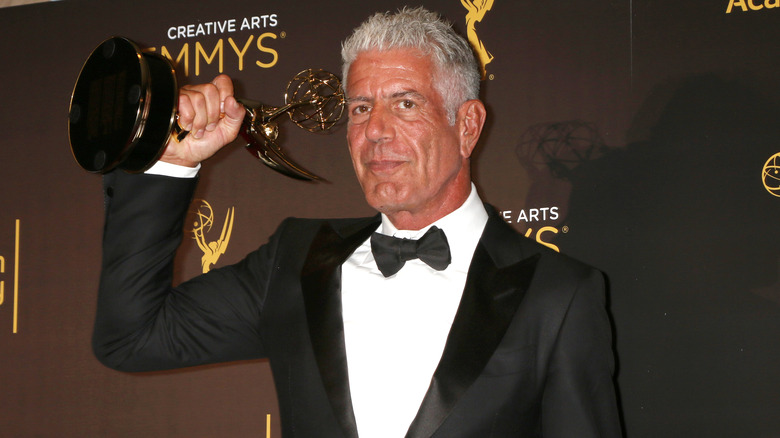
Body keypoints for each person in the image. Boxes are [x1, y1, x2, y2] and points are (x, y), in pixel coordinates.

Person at [93, 7, 622, 438]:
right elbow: (132, 337)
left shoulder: (558, 295)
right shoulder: (296, 261)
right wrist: (172, 163)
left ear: (467, 125)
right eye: (361, 108)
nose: (376, 132)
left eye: (405, 103)